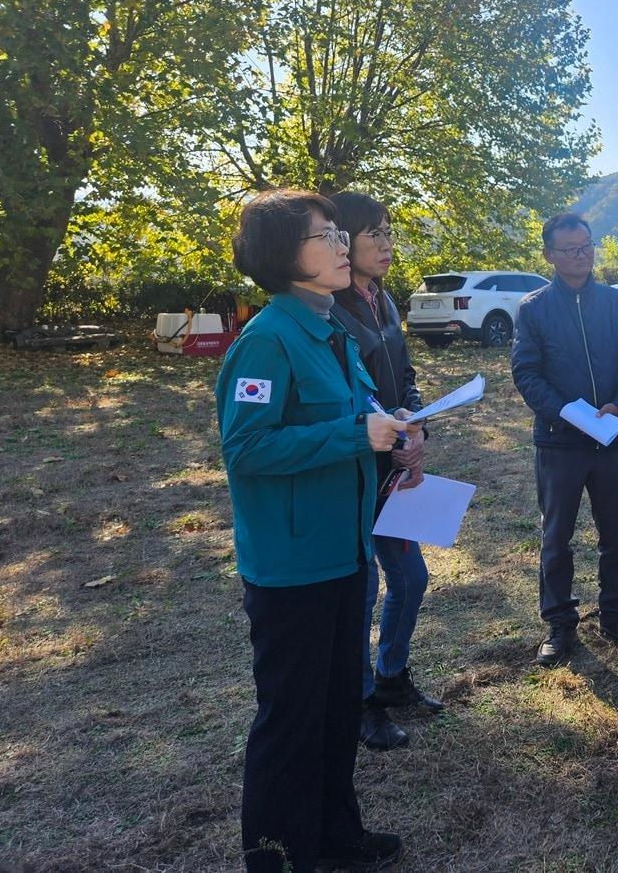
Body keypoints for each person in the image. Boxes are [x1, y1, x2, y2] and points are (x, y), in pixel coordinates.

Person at [216, 190, 405, 873]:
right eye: (324, 236)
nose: (340, 246)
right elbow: (247, 448)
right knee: (291, 719)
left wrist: (393, 441)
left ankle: (335, 836)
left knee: (333, 709)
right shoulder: (267, 341)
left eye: (337, 235)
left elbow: (359, 420)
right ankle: (279, 854)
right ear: (283, 256)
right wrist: (356, 432)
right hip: (293, 566)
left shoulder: (331, 331)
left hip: (345, 550)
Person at [511, 212, 618, 667]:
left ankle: (616, 615)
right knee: (557, 537)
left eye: (587, 246)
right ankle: (559, 623)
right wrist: (565, 413)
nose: (581, 256)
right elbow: (526, 373)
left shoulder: (616, 303)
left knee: (616, 535)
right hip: (560, 442)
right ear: (550, 255)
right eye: (571, 249)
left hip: (611, 439)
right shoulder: (533, 309)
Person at [329, 192, 443, 753]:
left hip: (396, 468)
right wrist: (388, 428)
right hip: (354, 473)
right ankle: (362, 701)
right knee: (365, 589)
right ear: (341, 240)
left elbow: (404, 374)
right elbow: (343, 396)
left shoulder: (385, 300)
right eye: (372, 232)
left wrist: (416, 424)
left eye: (389, 230)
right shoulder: (328, 309)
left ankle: (392, 677)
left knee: (411, 579)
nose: (386, 242)